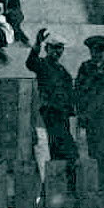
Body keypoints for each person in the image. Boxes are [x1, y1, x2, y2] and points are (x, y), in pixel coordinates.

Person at [25, 29, 77, 163]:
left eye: (60, 48)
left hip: (62, 113)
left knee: (64, 149)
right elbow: (30, 63)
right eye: (54, 48)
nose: (57, 52)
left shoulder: (63, 71)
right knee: (60, 148)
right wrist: (37, 43)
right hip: (51, 112)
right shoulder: (43, 64)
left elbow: (70, 93)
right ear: (47, 48)